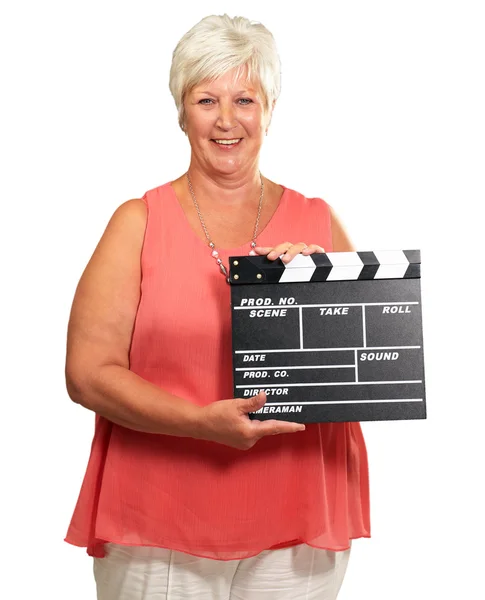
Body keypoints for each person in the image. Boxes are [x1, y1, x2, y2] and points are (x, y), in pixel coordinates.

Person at [64, 13, 370, 600]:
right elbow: (87, 374)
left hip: (298, 515)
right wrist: (199, 424)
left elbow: (362, 373)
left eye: (245, 99)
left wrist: (319, 291)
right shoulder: (138, 222)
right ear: (181, 111)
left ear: (270, 109)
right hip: (160, 514)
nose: (227, 120)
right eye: (206, 99)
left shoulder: (317, 222)